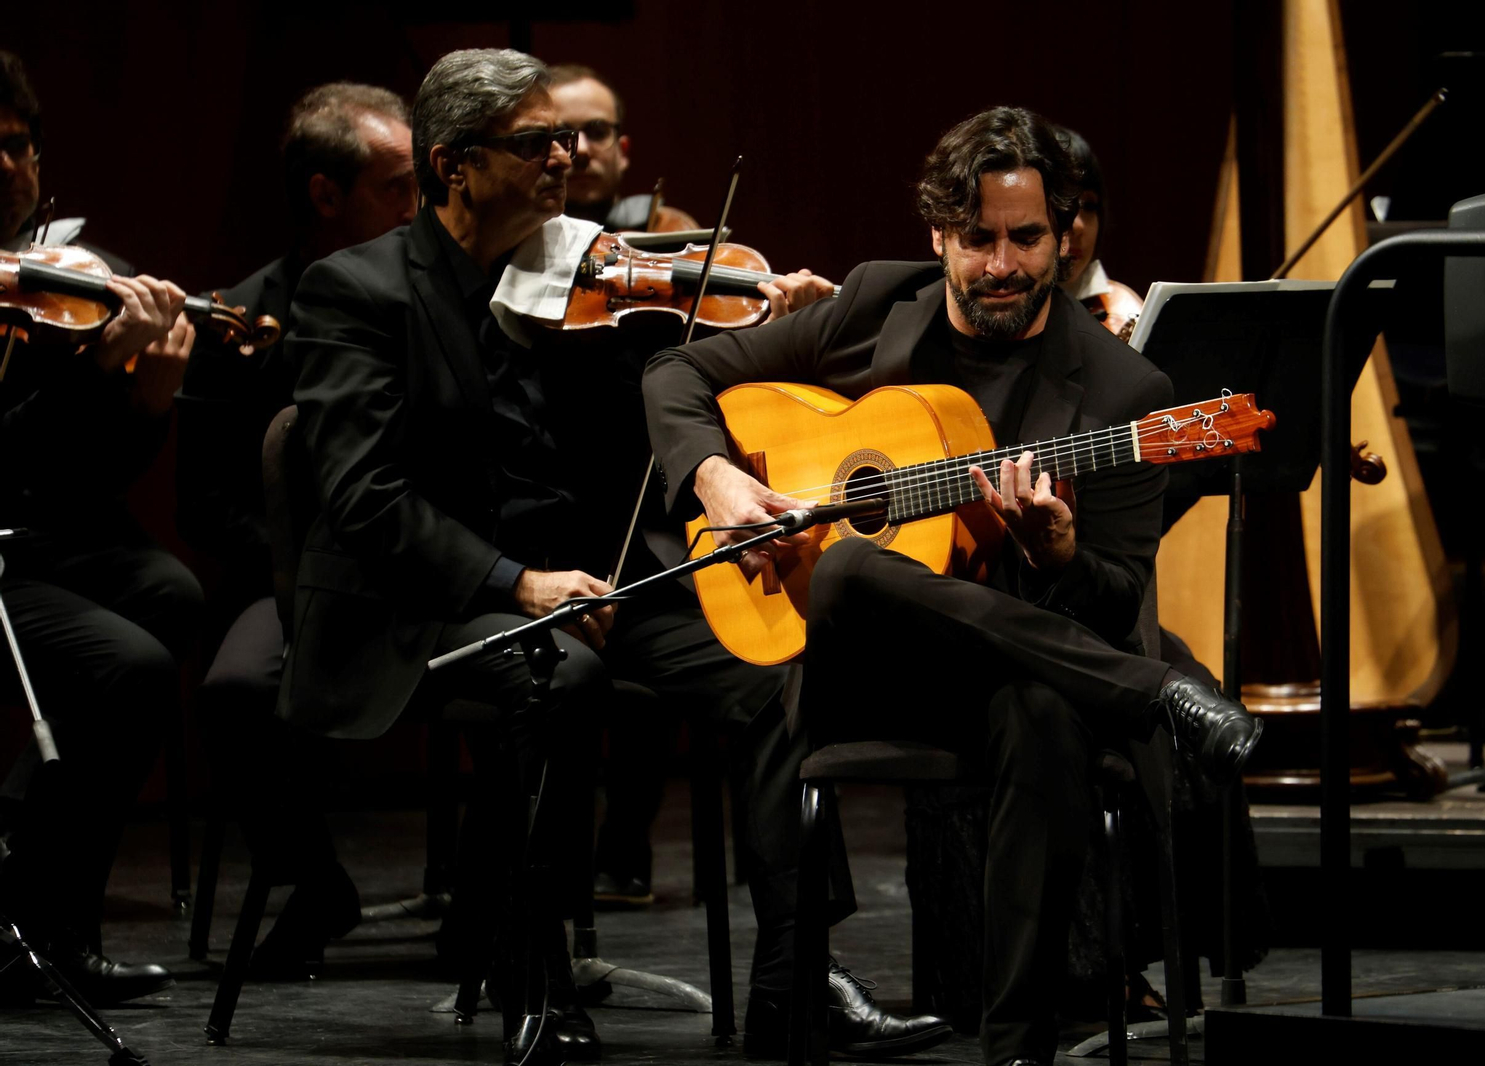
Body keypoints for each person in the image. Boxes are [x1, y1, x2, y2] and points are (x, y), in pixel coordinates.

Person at [284, 48, 948, 1064]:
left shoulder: (592, 275)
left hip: (597, 579)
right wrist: (515, 581)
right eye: (537, 143)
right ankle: (531, 971)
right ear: (455, 165)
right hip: (424, 596)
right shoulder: (358, 291)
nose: (567, 159)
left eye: (571, 137)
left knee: (770, 667)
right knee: (561, 675)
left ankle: (797, 975)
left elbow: (684, 386)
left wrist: (775, 318)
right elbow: (363, 498)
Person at [642, 105, 1263, 1066]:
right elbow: (675, 374)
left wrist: (1057, 555)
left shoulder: (1126, 398)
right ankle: (1164, 700)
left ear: (1066, 238)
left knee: (1043, 712)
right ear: (939, 235)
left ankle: (1016, 1048)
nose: (1002, 264)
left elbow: (1115, 602)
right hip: (861, 673)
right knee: (847, 563)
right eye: (977, 240)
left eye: (1026, 238)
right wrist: (719, 480)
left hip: (1018, 672)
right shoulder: (875, 305)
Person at [175, 81, 417, 975]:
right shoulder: (240, 317)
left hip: (426, 566)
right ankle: (314, 882)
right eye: (398, 187)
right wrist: (299, 564)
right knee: (236, 689)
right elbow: (201, 502)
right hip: (298, 581)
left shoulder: (438, 297)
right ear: (325, 194)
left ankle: (499, 906)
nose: (419, 209)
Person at [0, 49, 203, 1006]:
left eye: (19, 146)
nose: (7, 168)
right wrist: (89, 378)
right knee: (127, 667)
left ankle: (24, 847)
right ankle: (51, 927)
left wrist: (147, 399)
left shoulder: (72, 281)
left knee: (175, 594)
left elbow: (83, 480)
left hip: (36, 538)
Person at [548, 63, 697, 232]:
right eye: (562, 136)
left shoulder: (668, 229)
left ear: (623, 152)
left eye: (597, 132)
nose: (581, 149)